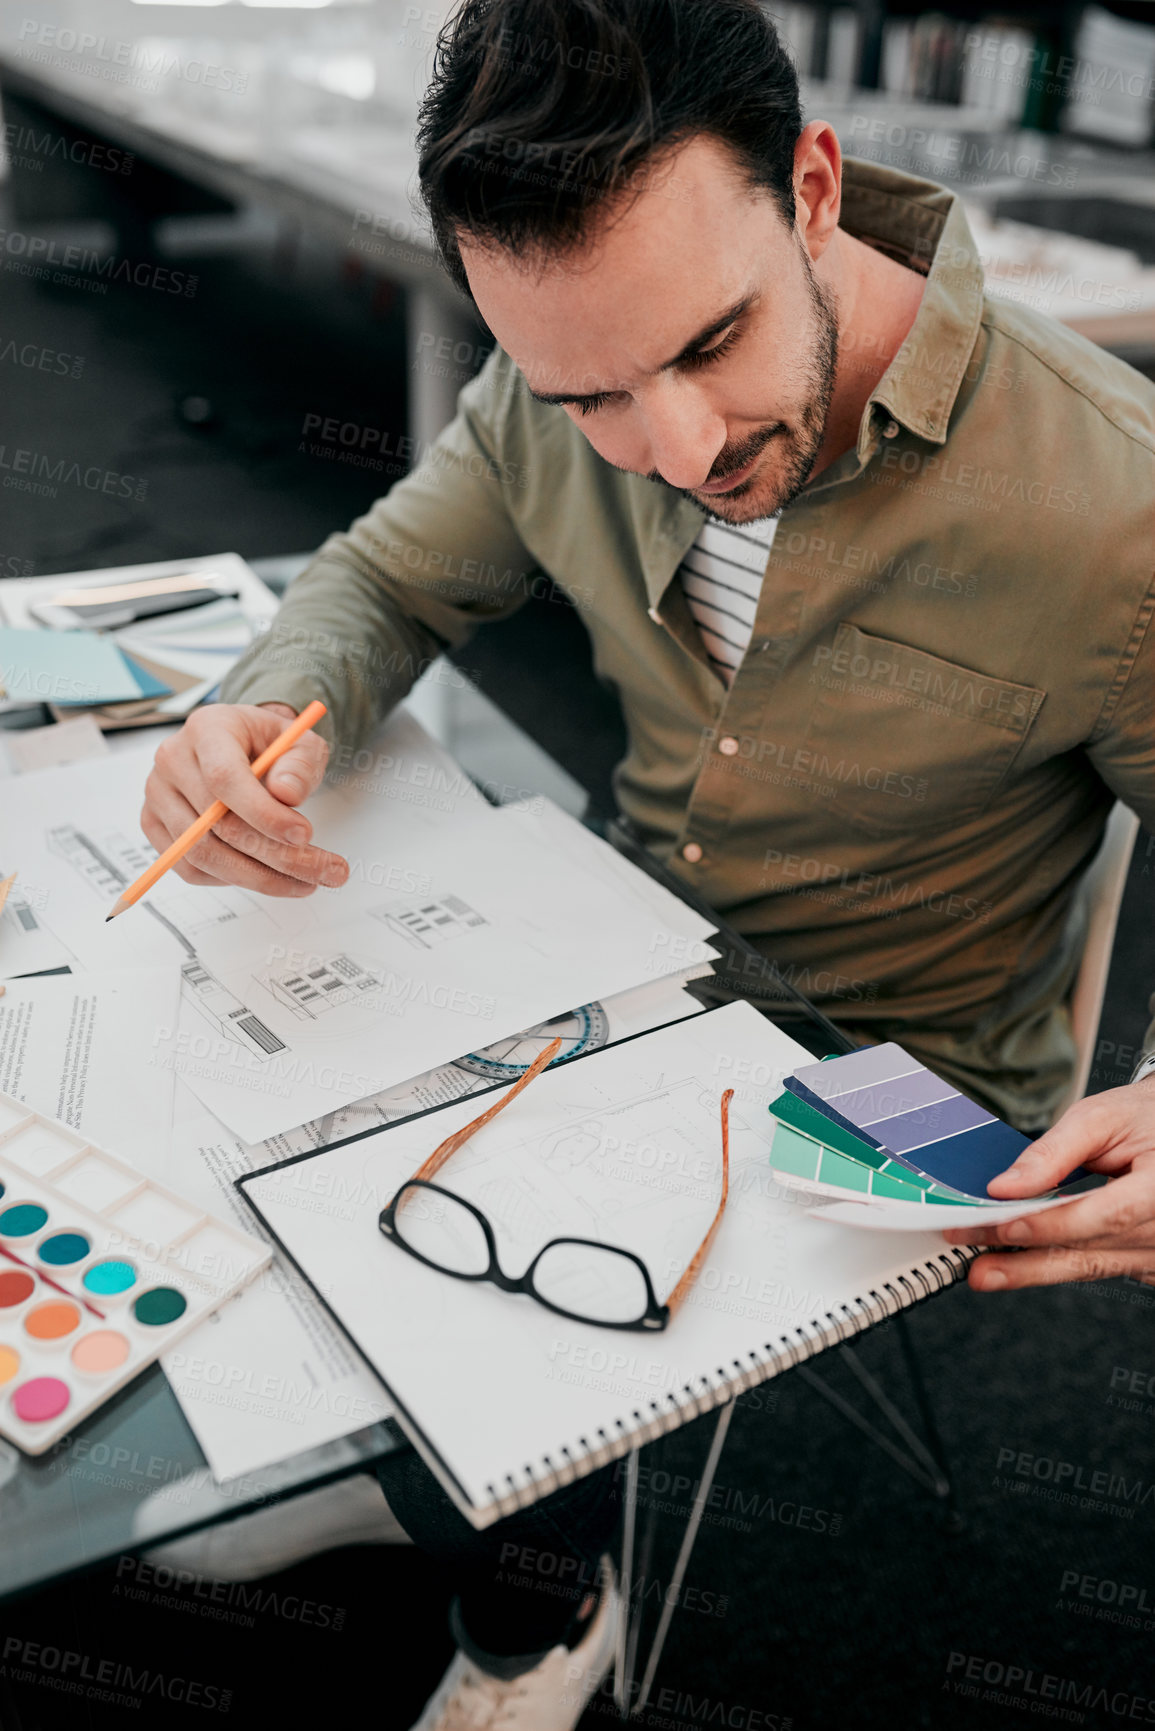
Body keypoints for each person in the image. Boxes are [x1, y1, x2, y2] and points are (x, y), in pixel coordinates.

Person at [140, 0, 1155, 1723]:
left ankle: (533, 1624)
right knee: (257, 1036)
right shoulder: (565, 379)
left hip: (897, 1071)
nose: (676, 445)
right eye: (593, 393)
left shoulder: (1107, 496)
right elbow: (386, 585)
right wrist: (262, 713)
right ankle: (408, 1458)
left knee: (513, 1184)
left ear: (814, 187)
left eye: (711, 345)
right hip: (622, 950)